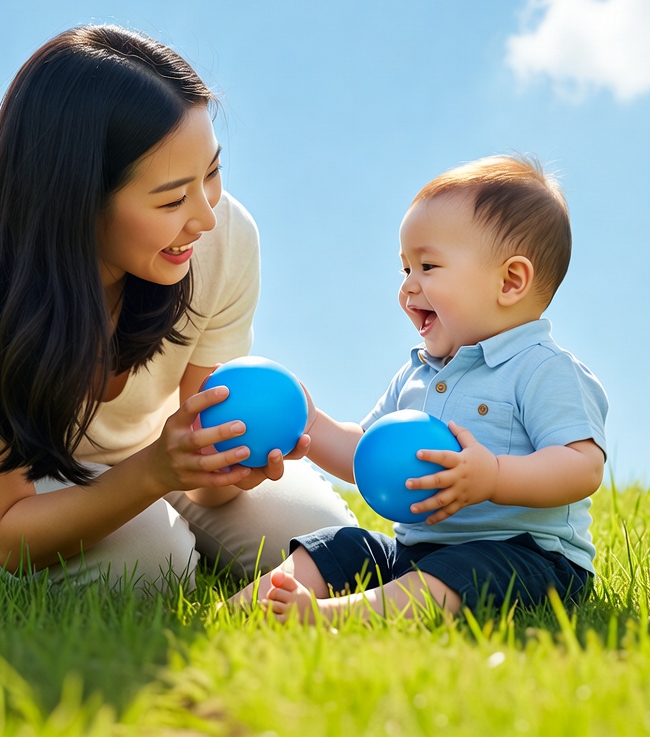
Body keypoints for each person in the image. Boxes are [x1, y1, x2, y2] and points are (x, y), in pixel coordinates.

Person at [0, 25, 354, 594]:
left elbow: (208, 475)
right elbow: (9, 535)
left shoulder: (223, 235)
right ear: (76, 198)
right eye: (170, 198)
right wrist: (154, 473)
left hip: (153, 449)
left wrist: (223, 465)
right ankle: (167, 537)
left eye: (211, 173)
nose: (206, 217)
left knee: (321, 539)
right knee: (150, 566)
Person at [230, 155, 607, 623]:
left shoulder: (541, 369)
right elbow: (362, 455)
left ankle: (335, 617)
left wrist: (492, 476)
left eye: (427, 266)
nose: (408, 287)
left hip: (527, 558)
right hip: (418, 550)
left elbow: (581, 466)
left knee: (464, 569)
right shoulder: (418, 373)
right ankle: (243, 609)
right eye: (404, 268)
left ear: (510, 281)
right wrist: (310, 423)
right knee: (344, 544)